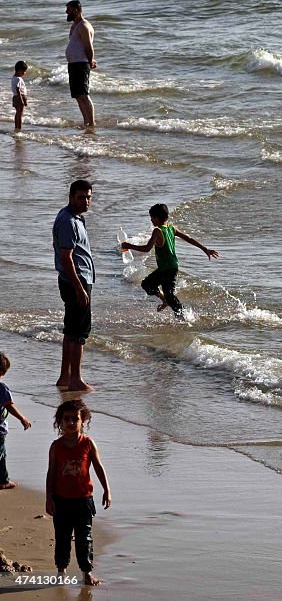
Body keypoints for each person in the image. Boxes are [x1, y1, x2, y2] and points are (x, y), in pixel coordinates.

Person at [46, 399, 111, 587]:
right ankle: (61, 571)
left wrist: (107, 490)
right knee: (62, 538)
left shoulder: (88, 444)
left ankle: (86, 572)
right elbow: (51, 472)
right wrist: (49, 498)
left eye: (75, 419)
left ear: (83, 421)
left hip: (83, 501)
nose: (71, 422)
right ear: (60, 422)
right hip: (61, 500)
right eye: (67, 419)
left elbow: (98, 467)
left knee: (85, 538)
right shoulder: (56, 446)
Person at [121, 203, 219, 315]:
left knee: (170, 295)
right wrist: (204, 249)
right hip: (167, 268)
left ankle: (183, 315)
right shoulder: (171, 228)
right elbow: (188, 238)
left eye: (152, 218)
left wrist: (129, 246)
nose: (151, 221)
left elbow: (147, 248)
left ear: (157, 218)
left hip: (168, 269)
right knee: (147, 285)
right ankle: (165, 301)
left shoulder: (157, 231)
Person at [53, 180, 95, 391]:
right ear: (71, 197)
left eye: (88, 197)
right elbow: (67, 257)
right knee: (79, 331)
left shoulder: (76, 218)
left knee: (71, 329)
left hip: (75, 279)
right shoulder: (68, 221)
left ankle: (65, 376)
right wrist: (79, 287)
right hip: (75, 280)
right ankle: (76, 379)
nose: (86, 201)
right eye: (81, 197)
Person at [0, 352, 33, 490]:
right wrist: (22, 418)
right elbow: (9, 405)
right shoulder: (1, 388)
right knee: (1, 455)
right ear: (2, 372)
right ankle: (3, 481)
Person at [64, 0, 97, 127]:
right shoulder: (74, 26)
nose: (67, 12)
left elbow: (89, 47)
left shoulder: (84, 25)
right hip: (73, 64)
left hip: (81, 64)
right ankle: (86, 122)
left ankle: (92, 123)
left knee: (84, 94)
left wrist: (90, 61)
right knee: (78, 95)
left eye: (69, 9)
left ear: (76, 10)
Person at [11, 60, 28, 132]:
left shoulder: (14, 78)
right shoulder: (18, 79)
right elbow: (18, 89)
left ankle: (16, 127)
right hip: (19, 96)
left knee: (17, 113)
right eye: (24, 71)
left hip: (15, 97)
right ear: (20, 71)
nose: (25, 73)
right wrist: (21, 100)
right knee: (20, 114)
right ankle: (19, 128)